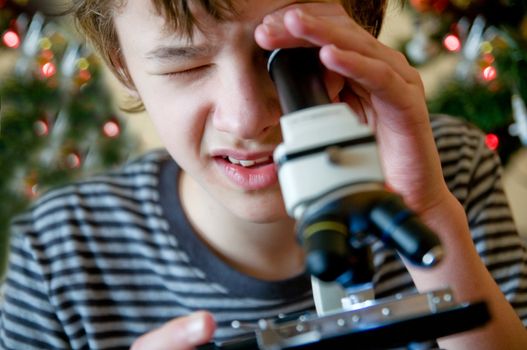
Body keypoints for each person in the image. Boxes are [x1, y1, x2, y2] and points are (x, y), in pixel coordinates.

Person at [1, 0, 527, 349]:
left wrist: (427, 210)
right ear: (124, 66)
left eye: (289, 61)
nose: (247, 117)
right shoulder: (59, 255)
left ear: (361, 36)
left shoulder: (448, 167)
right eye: (185, 67)